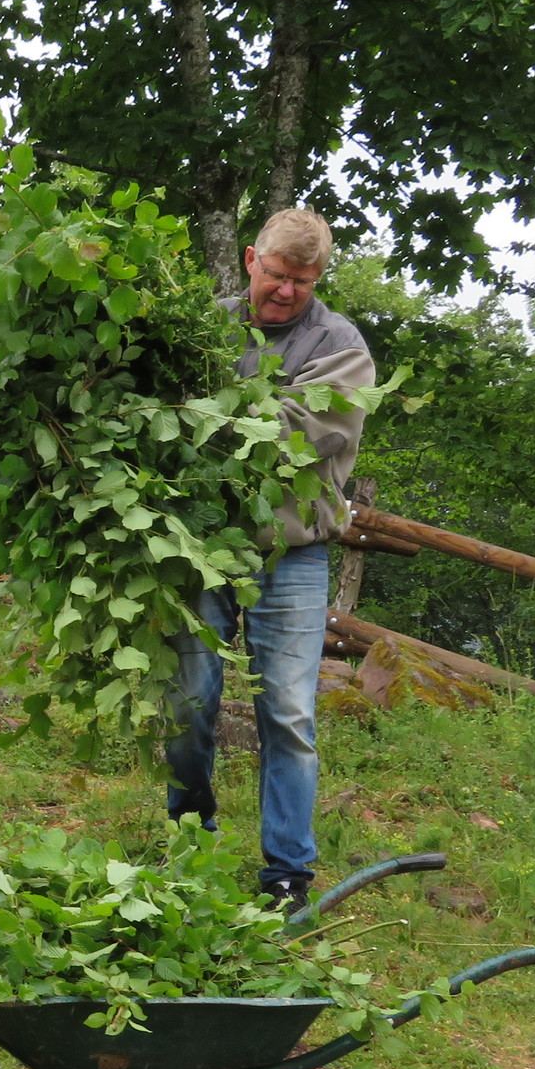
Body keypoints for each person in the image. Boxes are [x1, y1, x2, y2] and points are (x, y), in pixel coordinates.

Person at [163, 208, 374, 909]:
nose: (286, 291)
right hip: (202, 546)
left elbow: (299, 432)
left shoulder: (341, 347)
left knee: (287, 711)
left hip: (293, 553)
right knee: (188, 699)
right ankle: (190, 831)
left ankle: (287, 873)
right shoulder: (204, 329)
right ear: (252, 260)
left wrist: (191, 418)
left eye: (302, 282)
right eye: (278, 275)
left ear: (319, 280)